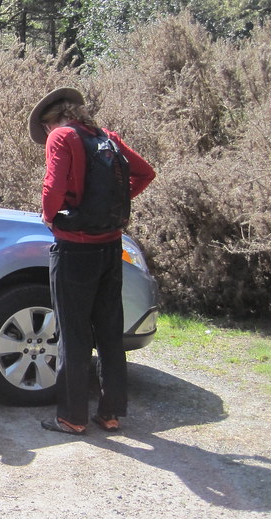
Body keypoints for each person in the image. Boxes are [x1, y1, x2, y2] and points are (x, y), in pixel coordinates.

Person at [28, 87, 156, 435]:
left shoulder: (62, 137)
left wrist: (49, 216)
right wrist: (109, 204)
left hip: (75, 249)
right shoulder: (108, 138)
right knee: (109, 331)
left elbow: (53, 186)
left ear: (51, 120)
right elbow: (146, 173)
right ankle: (110, 413)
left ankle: (72, 417)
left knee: (73, 332)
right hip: (110, 246)